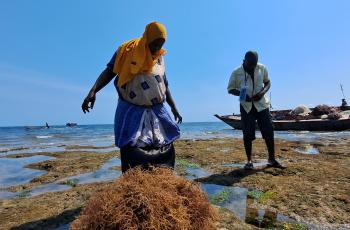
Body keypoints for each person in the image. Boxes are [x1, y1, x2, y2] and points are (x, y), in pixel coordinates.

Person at [82, 22, 182, 173]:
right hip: (132, 109)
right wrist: (93, 91)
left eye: (161, 44)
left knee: (163, 147)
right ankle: (134, 183)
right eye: (154, 44)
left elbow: (163, 85)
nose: (156, 48)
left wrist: (174, 107)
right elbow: (110, 71)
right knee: (132, 149)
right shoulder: (127, 51)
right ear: (147, 38)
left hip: (157, 112)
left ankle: (161, 180)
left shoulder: (160, 58)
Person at [227, 51, 285, 170]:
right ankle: (249, 161)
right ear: (244, 61)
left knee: (269, 131)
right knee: (247, 134)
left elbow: (268, 82)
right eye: (250, 65)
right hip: (246, 107)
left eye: (254, 64)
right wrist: (243, 95)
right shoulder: (236, 72)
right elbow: (230, 89)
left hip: (262, 105)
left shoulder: (262, 68)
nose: (252, 67)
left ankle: (271, 159)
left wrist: (262, 92)